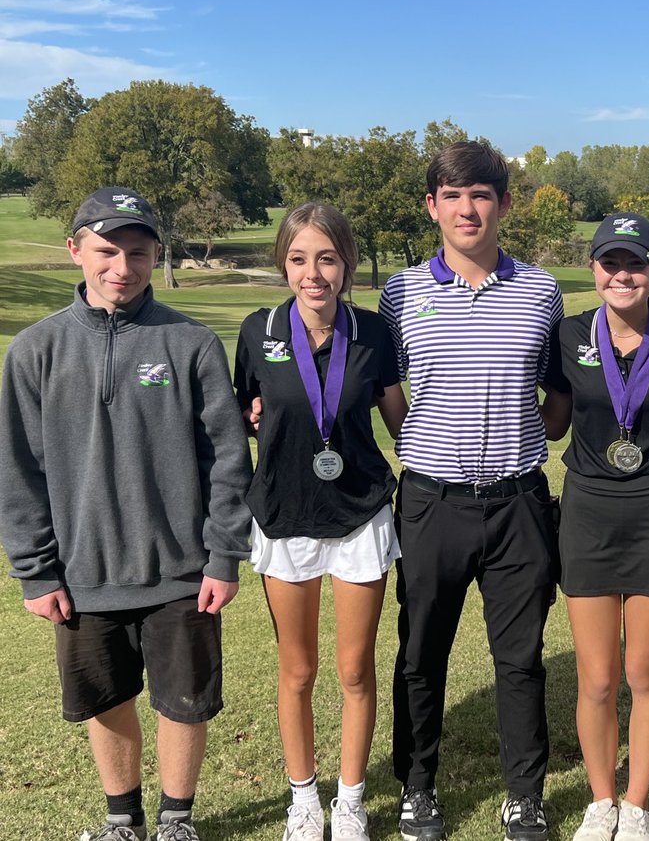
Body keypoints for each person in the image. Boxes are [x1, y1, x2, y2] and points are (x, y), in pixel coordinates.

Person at [0, 188, 252, 841]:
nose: (122, 267)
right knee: (106, 700)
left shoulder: (191, 343)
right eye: (107, 250)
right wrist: (36, 571)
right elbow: (17, 470)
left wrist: (224, 555)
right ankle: (123, 822)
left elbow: (227, 459)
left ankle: (176, 821)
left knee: (183, 703)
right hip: (83, 574)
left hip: (182, 572)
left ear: (155, 256)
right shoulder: (33, 351)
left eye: (138, 253)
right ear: (75, 249)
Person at [378, 141, 564, 841]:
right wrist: (420, 443)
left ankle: (525, 795)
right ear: (432, 206)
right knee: (421, 653)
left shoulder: (542, 290)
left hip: (519, 503)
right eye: (452, 195)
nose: (467, 208)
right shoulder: (400, 293)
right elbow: (390, 392)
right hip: (432, 502)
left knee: (520, 660)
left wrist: (522, 442)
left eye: (481, 194)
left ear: (503, 204)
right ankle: (417, 786)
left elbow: (557, 398)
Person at [234, 203, 407, 840]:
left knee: (356, 670)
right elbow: (245, 410)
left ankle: (351, 798)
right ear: (283, 262)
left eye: (327, 258)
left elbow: (398, 419)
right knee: (297, 671)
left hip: (359, 514)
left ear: (347, 265)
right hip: (284, 516)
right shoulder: (257, 331)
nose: (314, 273)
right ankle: (304, 797)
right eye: (300, 258)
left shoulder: (373, 333)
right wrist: (255, 415)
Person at [540, 214, 649, 841]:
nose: (623, 274)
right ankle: (600, 797)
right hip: (585, 511)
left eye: (635, 263)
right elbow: (553, 423)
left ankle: (635, 804)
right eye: (611, 263)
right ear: (594, 269)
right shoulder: (567, 335)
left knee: (645, 671)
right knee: (599, 675)